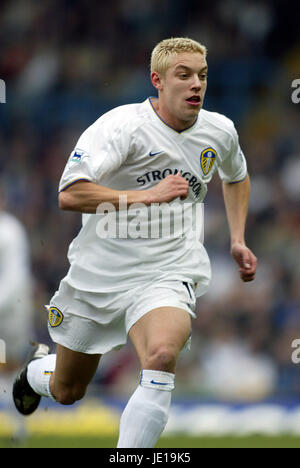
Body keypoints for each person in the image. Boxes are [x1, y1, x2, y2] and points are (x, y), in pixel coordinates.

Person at [13, 37, 257, 448]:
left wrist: (238, 238)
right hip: (99, 275)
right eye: (184, 75)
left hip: (168, 270)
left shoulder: (220, 131)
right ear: (157, 80)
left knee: (162, 355)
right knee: (68, 390)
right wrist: (145, 195)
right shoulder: (121, 127)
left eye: (202, 76)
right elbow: (69, 194)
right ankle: (38, 371)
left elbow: (237, 176)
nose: (196, 84)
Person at [0, 190, 34, 439]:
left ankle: (19, 428)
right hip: (9, 309)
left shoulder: (10, 230)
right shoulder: (11, 229)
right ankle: (18, 428)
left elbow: (14, 276)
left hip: (10, 313)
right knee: (6, 367)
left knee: (8, 365)